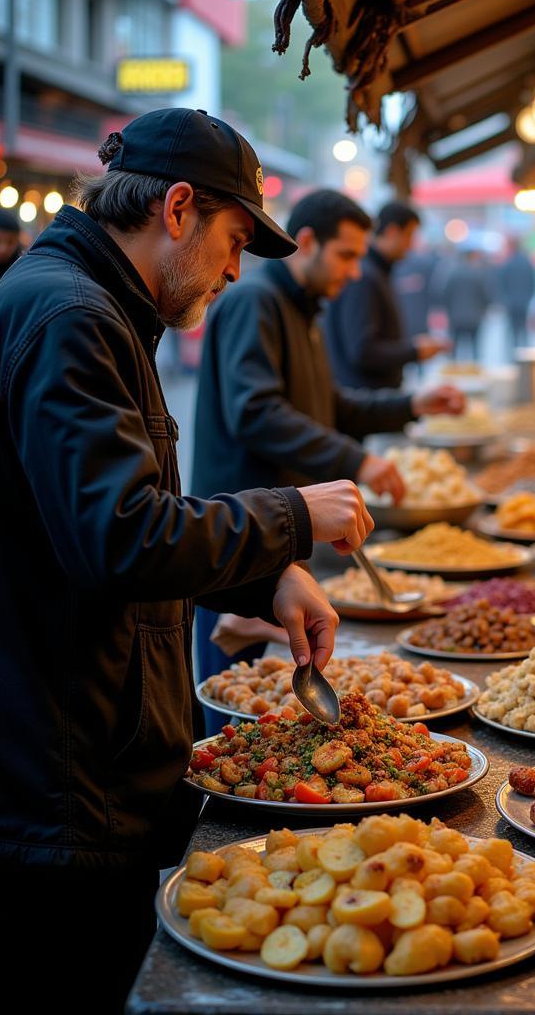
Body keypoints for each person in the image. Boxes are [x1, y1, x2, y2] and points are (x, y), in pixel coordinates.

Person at [0, 108, 375, 1011]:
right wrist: (289, 517)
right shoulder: (69, 316)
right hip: (61, 787)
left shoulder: (99, 307)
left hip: (82, 763)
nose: (237, 269)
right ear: (179, 208)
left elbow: (129, 518)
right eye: (235, 240)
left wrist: (265, 573)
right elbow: (117, 539)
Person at [191, 188, 464, 709]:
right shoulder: (256, 301)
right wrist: (357, 460)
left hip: (280, 544)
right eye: (347, 255)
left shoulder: (301, 308)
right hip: (236, 549)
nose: (357, 271)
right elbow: (256, 411)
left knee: (285, 705)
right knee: (235, 706)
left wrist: (411, 402)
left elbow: (328, 404)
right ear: (309, 242)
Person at [325, 200, 447, 389]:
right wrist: (415, 350)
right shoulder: (365, 277)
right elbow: (362, 351)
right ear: (391, 231)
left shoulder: (378, 272)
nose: (411, 245)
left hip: (373, 396)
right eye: (409, 236)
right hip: (366, 397)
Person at [439, 248, 492, 359]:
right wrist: (483, 309)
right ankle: (475, 368)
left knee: (454, 348)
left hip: (456, 316)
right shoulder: (478, 274)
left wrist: (449, 310)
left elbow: (444, 294)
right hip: (474, 316)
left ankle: (453, 368)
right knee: (475, 348)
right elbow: (486, 295)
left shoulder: (453, 274)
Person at [498, 236, 535, 348]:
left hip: (511, 302)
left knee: (512, 330)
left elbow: (502, 283)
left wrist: (505, 299)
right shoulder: (526, 263)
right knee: (523, 329)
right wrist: (529, 297)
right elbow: (533, 282)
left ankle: (514, 352)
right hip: (524, 301)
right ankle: (523, 350)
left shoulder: (508, 263)